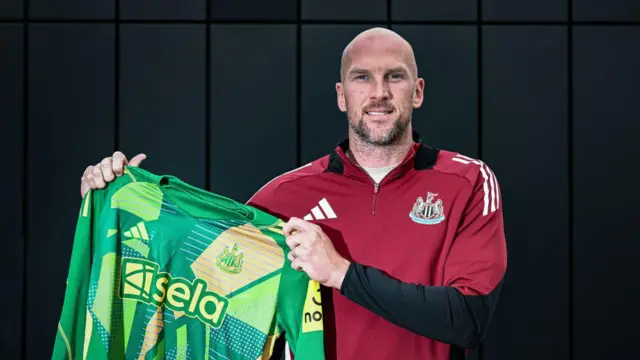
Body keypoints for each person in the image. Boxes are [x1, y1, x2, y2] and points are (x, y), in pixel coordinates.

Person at [80, 27, 507, 360]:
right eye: (362, 78)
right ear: (342, 96)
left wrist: (340, 273)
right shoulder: (283, 197)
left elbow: (468, 319)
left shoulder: (467, 182)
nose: (378, 93)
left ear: (417, 91)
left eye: (394, 77)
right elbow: (197, 289)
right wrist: (126, 203)